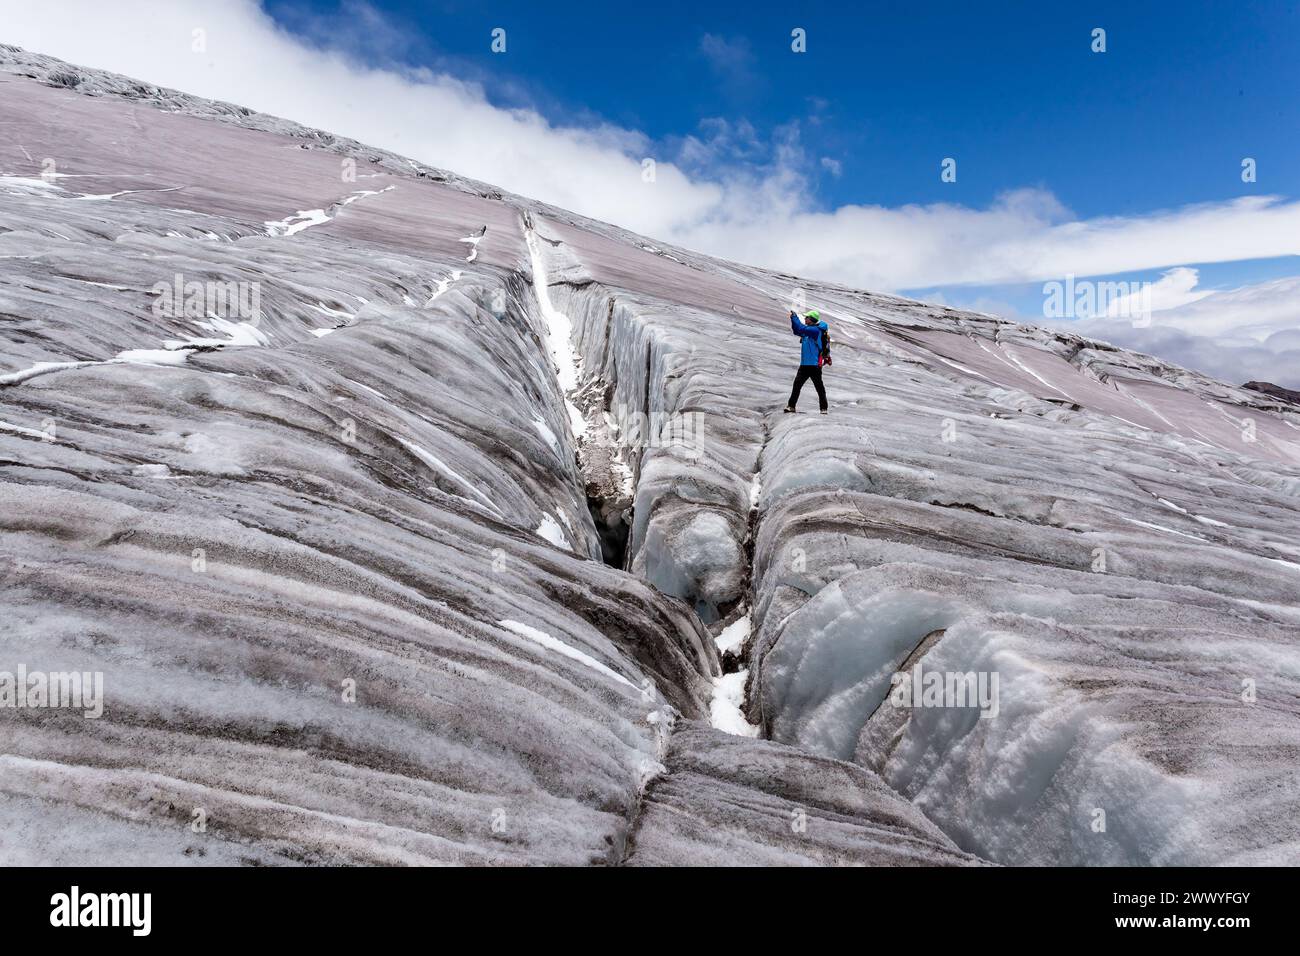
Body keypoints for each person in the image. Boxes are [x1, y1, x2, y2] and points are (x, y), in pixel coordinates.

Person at [784, 309, 828, 414]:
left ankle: (824, 408)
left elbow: (800, 328)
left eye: (806, 317)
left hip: (814, 365)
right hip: (804, 365)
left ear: (811, 320)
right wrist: (792, 319)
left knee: (819, 387)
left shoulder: (815, 331)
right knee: (797, 386)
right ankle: (791, 406)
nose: (805, 319)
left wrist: (794, 317)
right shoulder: (808, 331)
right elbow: (796, 330)